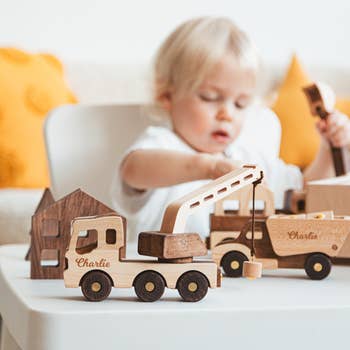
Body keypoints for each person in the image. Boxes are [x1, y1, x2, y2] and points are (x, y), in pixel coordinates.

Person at [111, 17, 350, 239]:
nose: (227, 114)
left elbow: (305, 192)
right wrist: (208, 166)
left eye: (240, 104)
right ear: (166, 95)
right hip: (169, 275)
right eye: (209, 97)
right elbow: (133, 170)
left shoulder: (249, 157)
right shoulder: (163, 144)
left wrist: (330, 149)